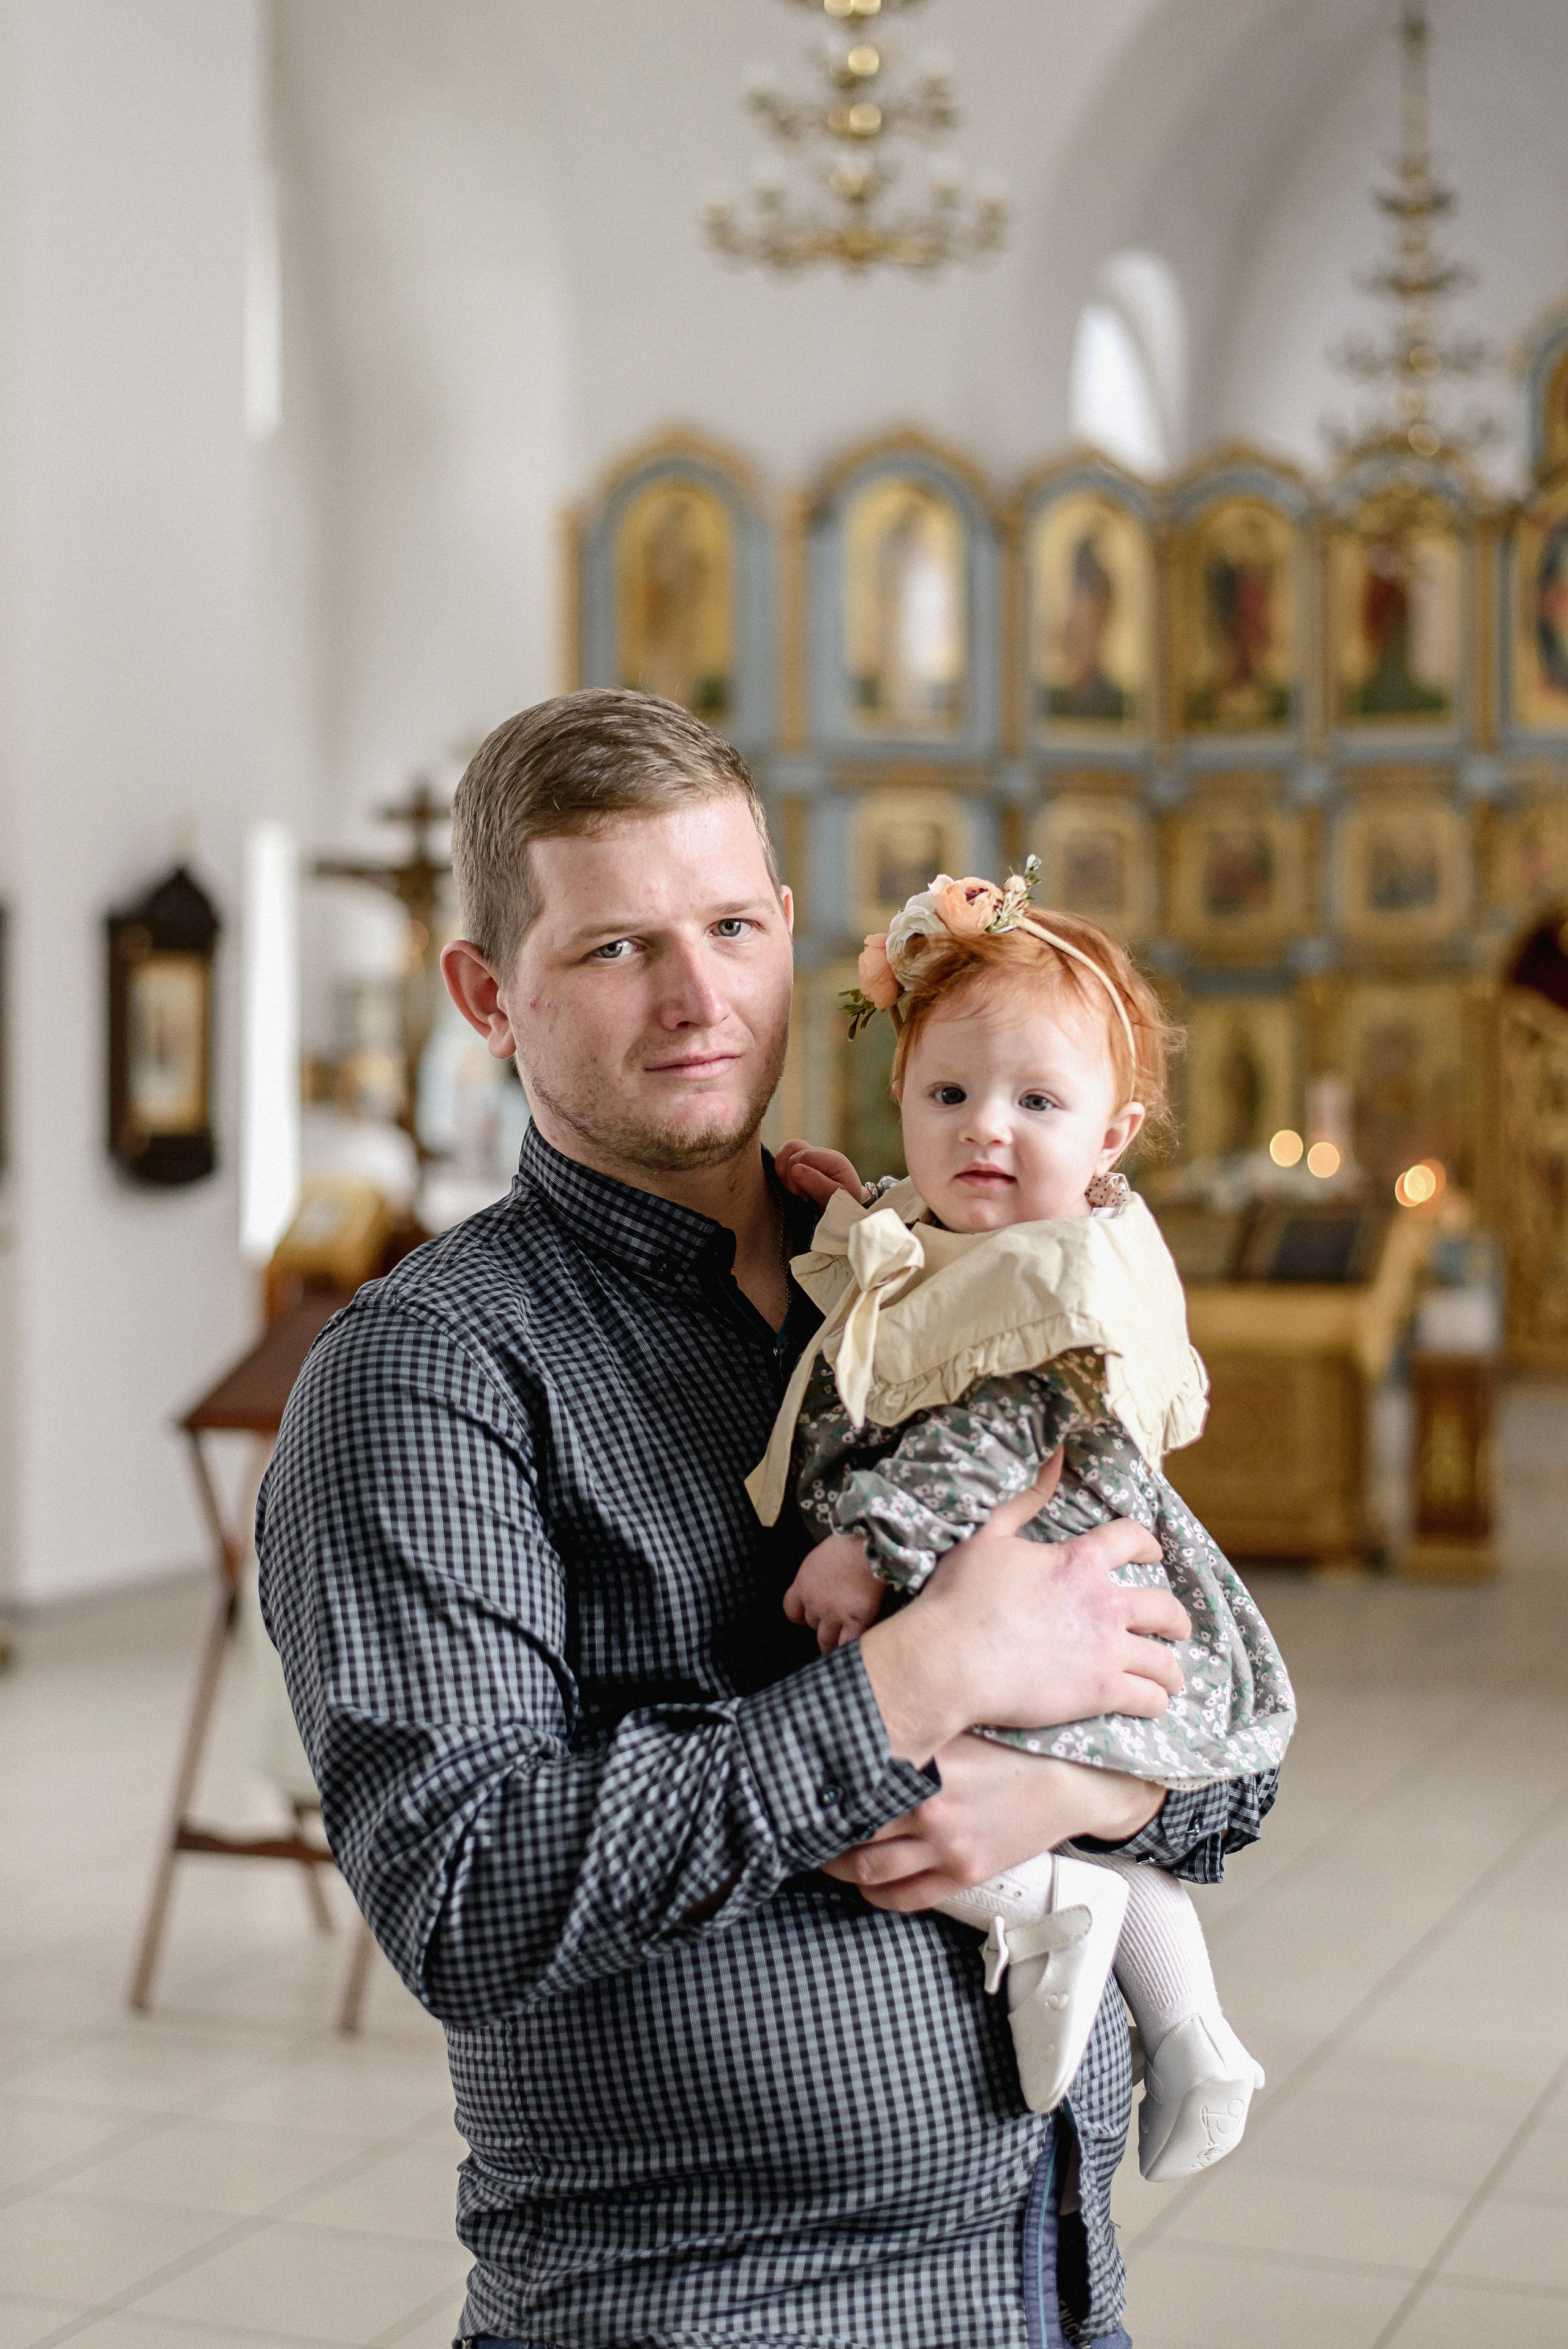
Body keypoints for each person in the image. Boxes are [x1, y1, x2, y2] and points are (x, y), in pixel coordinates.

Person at [257, 689, 1278, 2349]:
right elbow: (467, 1897)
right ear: (484, 993)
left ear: (788, 928)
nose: (696, 997)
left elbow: (1228, 1742)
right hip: (713, 2309)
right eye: (613, 949)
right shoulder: (426, 1377)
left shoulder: (938, 1289)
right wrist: (910, 1689)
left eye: (731, 925)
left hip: (1039, 2285)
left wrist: (1067, 1775)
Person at [750, 869, 1294, 2181]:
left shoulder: (1055, 1280)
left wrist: (864, 1545)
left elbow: (985, 1436)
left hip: (1025, 1594)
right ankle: (1195, 2030)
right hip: (1026, 1616)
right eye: (946, 1096)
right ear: (901, 1102)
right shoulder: (980, 1233)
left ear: (1112, 1135)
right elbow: (904, 1281)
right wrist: (846, 1205)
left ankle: (1059, 1911)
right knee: (1025, 1801)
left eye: (1035, 1103)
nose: (983, 1130)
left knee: (851, 1799)